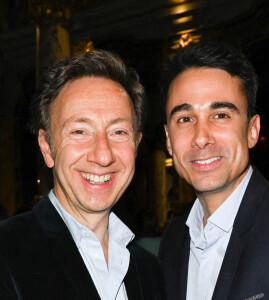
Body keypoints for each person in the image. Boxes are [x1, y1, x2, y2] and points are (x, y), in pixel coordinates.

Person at [0, 50, 165, 299]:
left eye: (119, 132)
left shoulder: (149, 270)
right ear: (47, 147)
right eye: (79, 131)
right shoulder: (7, 252)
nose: (103, 155)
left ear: (137, 145)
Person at [158, 42, 269, 300]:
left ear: (252, 130)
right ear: (168, 139)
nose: (201, 138)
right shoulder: (173, 240)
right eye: (185, 119)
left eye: (221, 115)